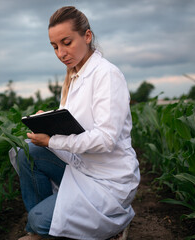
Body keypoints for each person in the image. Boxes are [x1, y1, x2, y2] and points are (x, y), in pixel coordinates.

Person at [13, 6, 140, 240]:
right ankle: (43, 230)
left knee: (39, 220)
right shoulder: (75, 76)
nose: (61, 53)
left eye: (67, 42)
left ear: (87, 36)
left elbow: (106, 139)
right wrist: (46, 120)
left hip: (108, 181)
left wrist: (52, 140)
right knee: (27, 152)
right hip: (83, 167)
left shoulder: (106, 75)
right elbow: (74, 121)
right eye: (55, 47)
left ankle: (114, 224)